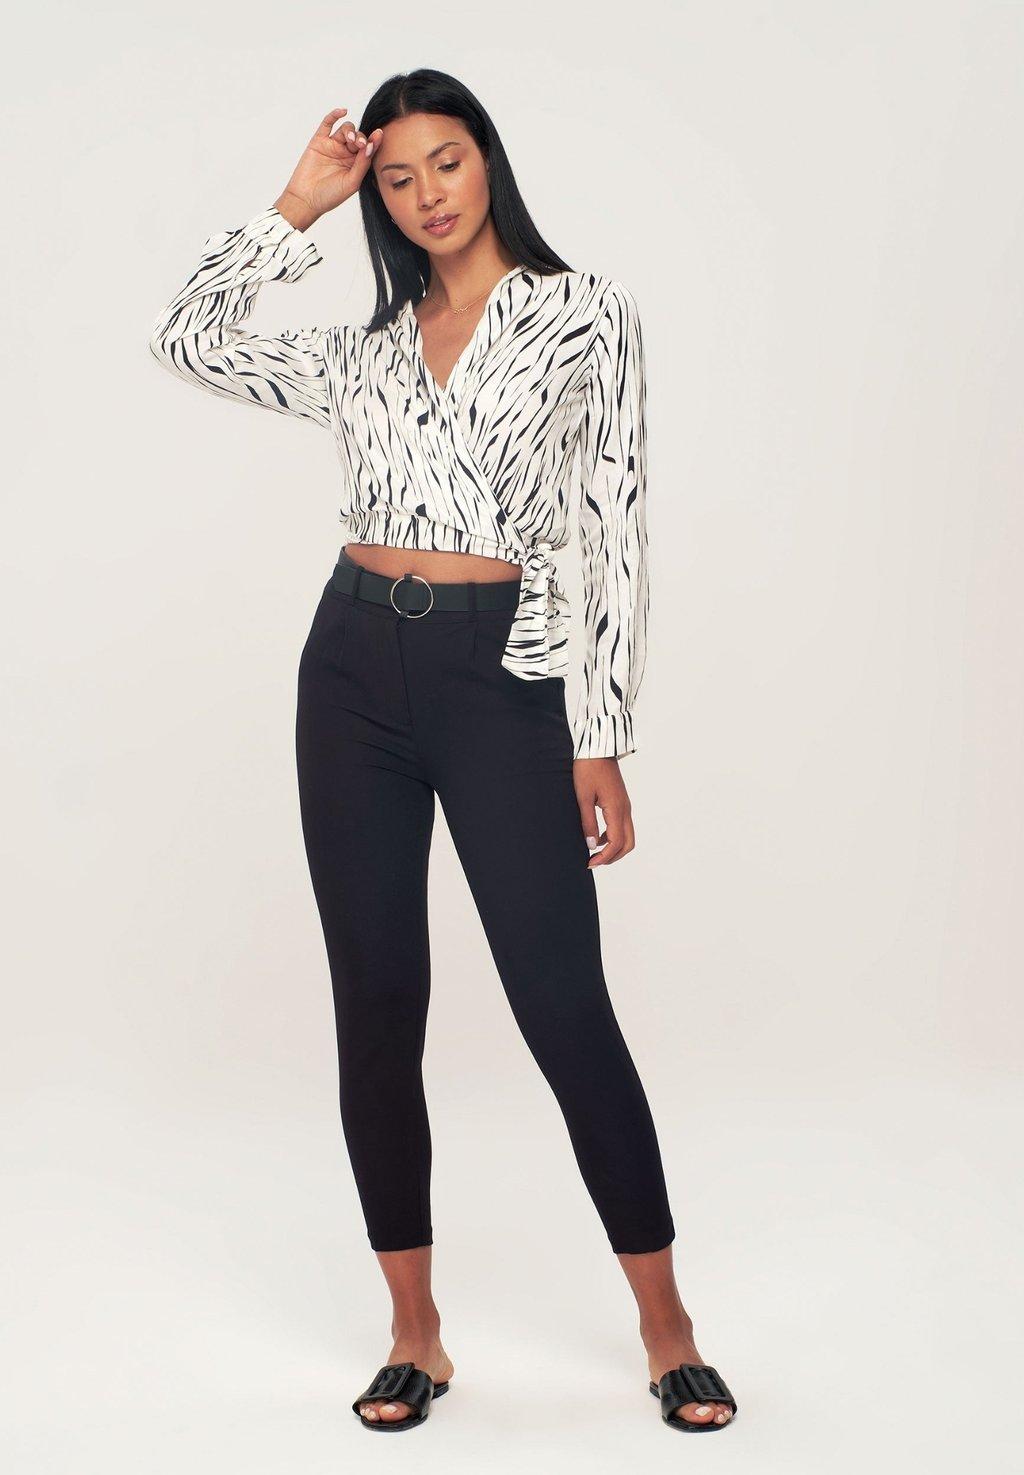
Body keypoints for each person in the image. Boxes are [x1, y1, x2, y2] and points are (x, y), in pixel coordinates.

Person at [148, 67, 737, 1436]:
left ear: (490, 161)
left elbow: (615, 528)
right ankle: (415, 1334)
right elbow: (187, 338)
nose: (426, 195)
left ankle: (667, 1325)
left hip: (502, 677)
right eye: (399, 177)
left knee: (563, 1003)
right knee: (377, 1002)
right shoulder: (365, 350)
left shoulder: (583, 315)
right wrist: (297, 205)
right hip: (351, 670)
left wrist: (600, 733)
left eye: (447, 162)